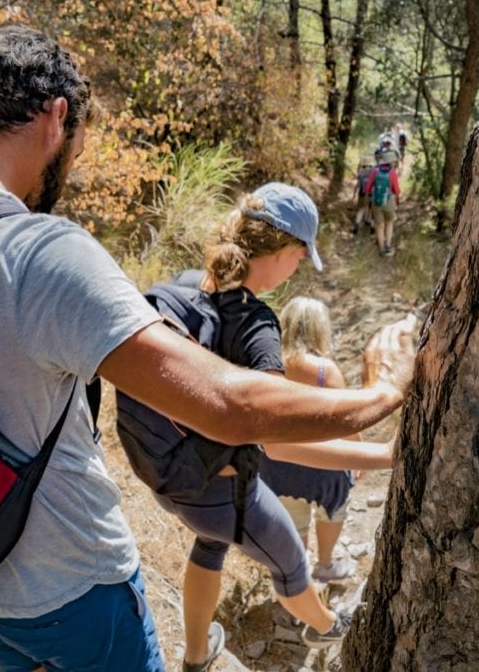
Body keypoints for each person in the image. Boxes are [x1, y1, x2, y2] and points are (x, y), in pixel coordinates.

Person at [0, 26, 416, 672]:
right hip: (74, 590)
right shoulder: (40, 251)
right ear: (57, 118)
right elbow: (227, 405)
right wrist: (381, 392)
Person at [147, 183, 404, 671]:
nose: (299, 267)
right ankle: (327, 627)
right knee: (290, 564)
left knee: (209, 544)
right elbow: (282, 447)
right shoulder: (257, 326)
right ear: (287, 251)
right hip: (221, 491)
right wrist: (386, 455)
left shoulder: (186, 285)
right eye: (301, 256)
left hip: (166, 474)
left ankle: (197, 655)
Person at [260, 296, 360, 584]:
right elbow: (346, 420)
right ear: (320, 328)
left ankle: (299, 576)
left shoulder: (269, 362)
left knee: (293, 517)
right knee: (333, 510)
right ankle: (326, 565)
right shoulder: (324, 370)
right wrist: (358, 452)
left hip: (278, 461)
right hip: (323, 462)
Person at [365, 150, 402, 256]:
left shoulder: (375, 171)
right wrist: (397, 199)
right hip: (389, 201)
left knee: (379, 225)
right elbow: (397, 190)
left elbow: (368, 187)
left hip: (376, 201)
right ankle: (388, 245)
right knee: (389, 223)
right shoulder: (392, 173)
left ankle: (381, 249)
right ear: (391, 162)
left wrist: (368, 200)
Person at [352, 159, 373, 236]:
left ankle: (356, 225)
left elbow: (357, 185)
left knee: (361, 210)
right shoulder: (372, 172)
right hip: (371, 194)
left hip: (362, 193)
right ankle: (369, 223)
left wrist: (354, 194)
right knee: (370, 208)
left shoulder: (360, 173)